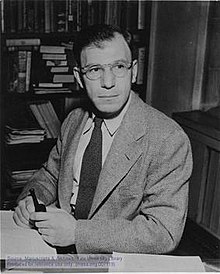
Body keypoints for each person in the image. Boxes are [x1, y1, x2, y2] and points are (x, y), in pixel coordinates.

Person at [13, 24, 192, 254]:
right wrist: (31, 200)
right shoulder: (74, 120)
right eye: (95, 70)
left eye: (118, 66)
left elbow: (163, 231)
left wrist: (77, 233)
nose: (108, 82)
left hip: (116, 261)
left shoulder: (168, 139)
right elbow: (50, 174)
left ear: (134, 71)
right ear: (79, 77)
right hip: (52, 246)